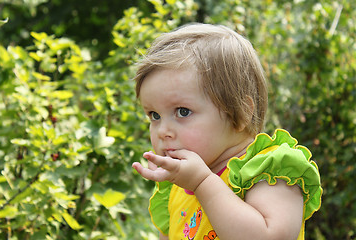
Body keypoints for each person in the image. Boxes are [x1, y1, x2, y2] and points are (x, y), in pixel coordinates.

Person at [132, 23, 322, 240]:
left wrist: (202, 183)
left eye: (182, 112)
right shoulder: (176, 188)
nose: (162, 130)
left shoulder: (267, 171)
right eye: (154, 115)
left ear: (240, 113)